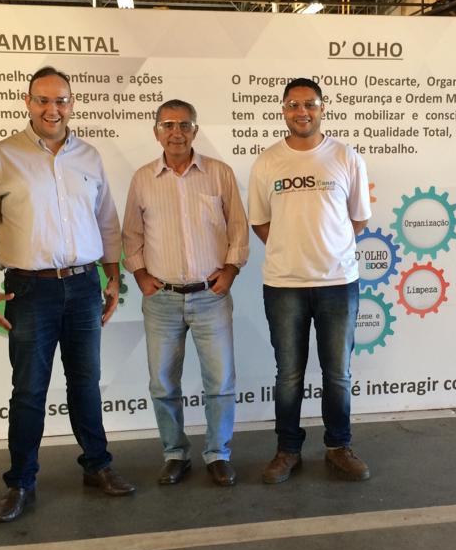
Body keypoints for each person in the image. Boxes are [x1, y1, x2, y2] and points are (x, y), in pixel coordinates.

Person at [0, 66, 135, 523]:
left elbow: (106, 220)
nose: (52, 109)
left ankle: (97, 465)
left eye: (60, 100)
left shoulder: (89, 156)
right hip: (29, 289)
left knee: (86, 383)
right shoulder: (2, 156)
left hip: (83, 285)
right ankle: (20, 481)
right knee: (29, 390)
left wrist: (112, 276)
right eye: (43, 100)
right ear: (28, 102)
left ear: (72, 104)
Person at [248, 78, 372, 484]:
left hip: (338, 283)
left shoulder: (346, 157)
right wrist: (292, 249)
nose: (301, 111)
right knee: (289, 375)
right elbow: (261, 223)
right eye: (293, 104)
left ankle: (338, 447)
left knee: (338, 373)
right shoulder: (267, 162)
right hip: (284, 284)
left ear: (322, 108)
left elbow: (358, 219)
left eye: (309, 104)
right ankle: (288, 451)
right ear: (283, 110)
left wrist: (326, 250)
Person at [122, 100, 249, 487]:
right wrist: (140, 275)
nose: (176, 132)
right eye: (168, 125)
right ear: (156, 132)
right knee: (163, 384)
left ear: (195, 130)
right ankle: (175, 453)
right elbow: (131, 234)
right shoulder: (143, 179)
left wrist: (230, 270)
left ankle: (218, 453)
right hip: (161, 299)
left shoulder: (219, 173)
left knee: (220, 382)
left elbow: (238, 228)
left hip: (211, 297)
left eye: (184, 125)